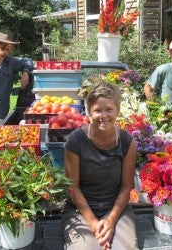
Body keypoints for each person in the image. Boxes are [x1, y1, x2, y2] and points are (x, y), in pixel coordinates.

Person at [62, 82, 137, 250]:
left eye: (109, 109)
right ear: (89, 111)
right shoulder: (76, 141)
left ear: (117, 110)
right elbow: (72, 188)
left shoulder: (126, 141)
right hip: (80, 210)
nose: (103, 116)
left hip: (116, 208)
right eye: (97, 110)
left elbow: (127, 187)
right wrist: (95, 224)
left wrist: (110, 220)